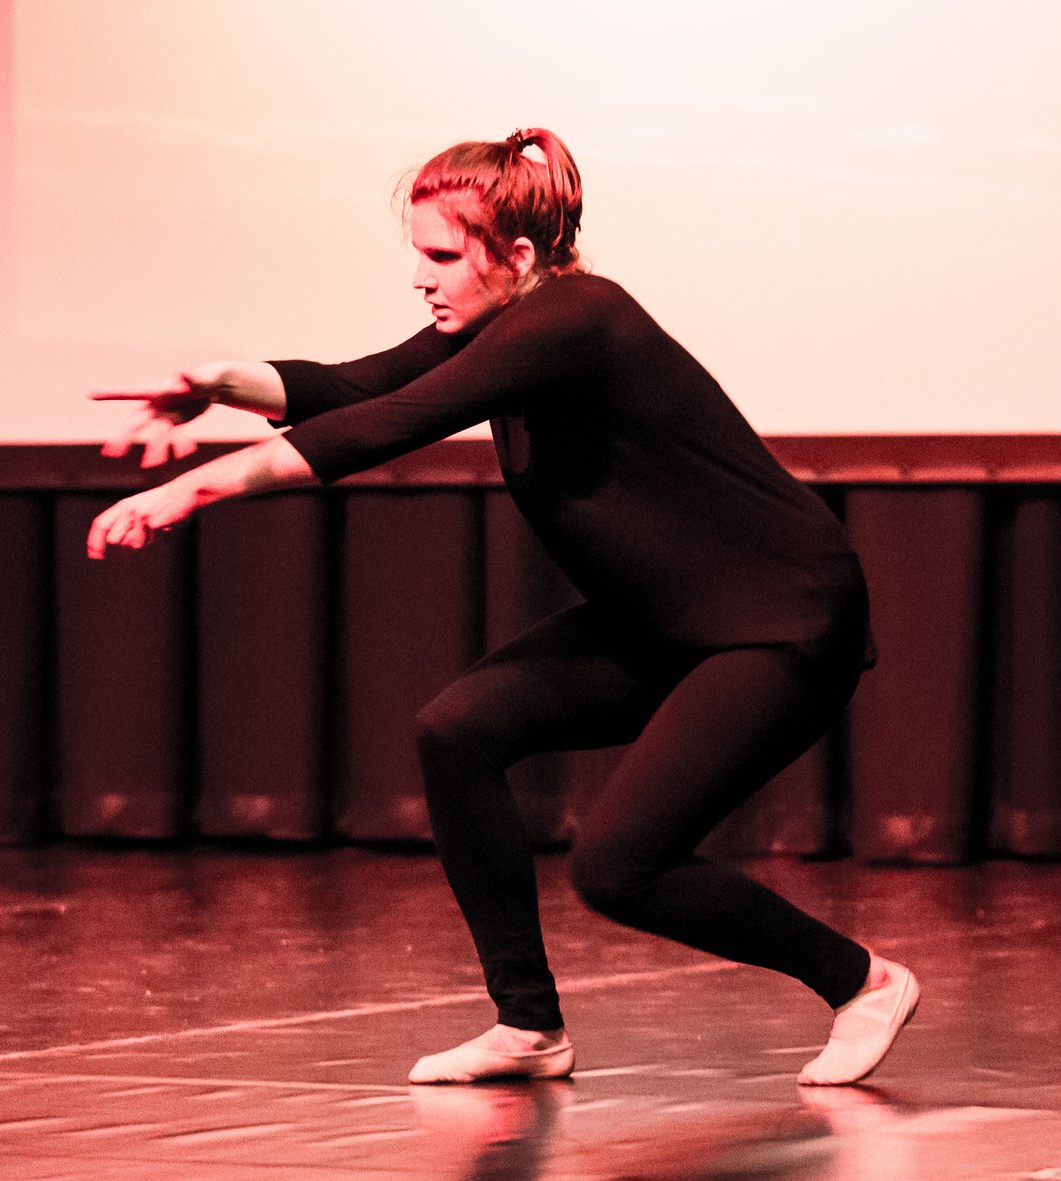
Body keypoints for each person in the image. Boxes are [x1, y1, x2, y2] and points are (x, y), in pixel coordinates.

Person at [86, 128, 919, 1087]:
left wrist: (188, 490)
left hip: (779, 620)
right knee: (459, 729)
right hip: (664, 618)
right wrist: (216, 385)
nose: (420, 278)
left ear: (518, 256)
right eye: (419, 255)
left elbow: (388, 423)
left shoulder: (577, 319)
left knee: (619, 866)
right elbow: (357, 384)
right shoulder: (501, 324)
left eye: (441, 256)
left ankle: (862, 981)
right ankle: (527, 1024)